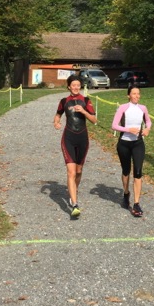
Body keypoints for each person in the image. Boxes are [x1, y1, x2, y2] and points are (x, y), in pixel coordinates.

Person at [54, 74, 97, 218]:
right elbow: (58, 114)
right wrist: (56, 122)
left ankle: (73, 191)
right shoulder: (64, 101)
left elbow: (94, 120)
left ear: (81, 86)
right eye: (73, 85)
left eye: (78, 85)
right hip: (68, 138)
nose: (76, 87)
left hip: (83, 138)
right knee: (71, 172)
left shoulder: (86, 100)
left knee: (79, 171)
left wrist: (84, 111)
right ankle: (74, 204)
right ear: (69, 87)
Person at [111, 86, 152, 217]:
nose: (136, 96)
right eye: (134, 94)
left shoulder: (143, 108)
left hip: (138, 144)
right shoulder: (123, 107)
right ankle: (126, 193)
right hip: (124, 143)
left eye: (138, 94)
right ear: (128, 95)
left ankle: (136, 203)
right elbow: (114, 125)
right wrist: (129, 130)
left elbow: (148, 121)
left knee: (138, 172)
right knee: (126, 171)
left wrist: (147, 129)